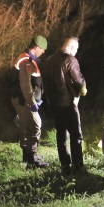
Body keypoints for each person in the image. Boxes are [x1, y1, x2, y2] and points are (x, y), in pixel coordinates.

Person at [42, 37, 87, 175]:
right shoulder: (70, 60)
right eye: (77, 49)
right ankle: (78, 165)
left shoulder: (50, 60)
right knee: (76, 135)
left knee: (61, 134)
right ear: (72, 47)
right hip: (68, 102)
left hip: (54, 104)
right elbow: (78, 80)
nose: (76, 52)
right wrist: (83, 88)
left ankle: (65, 165)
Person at [11, 35, 50, 169]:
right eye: (43, 49)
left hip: (23, 101)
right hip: (26, 102)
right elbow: (25, 85)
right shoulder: (27, 62)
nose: (43, 52)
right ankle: (32, 161)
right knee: (35, 126)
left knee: (26, 128)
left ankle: (27, 156)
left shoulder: (27, 60)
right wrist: (32, 102)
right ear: (37, 47)